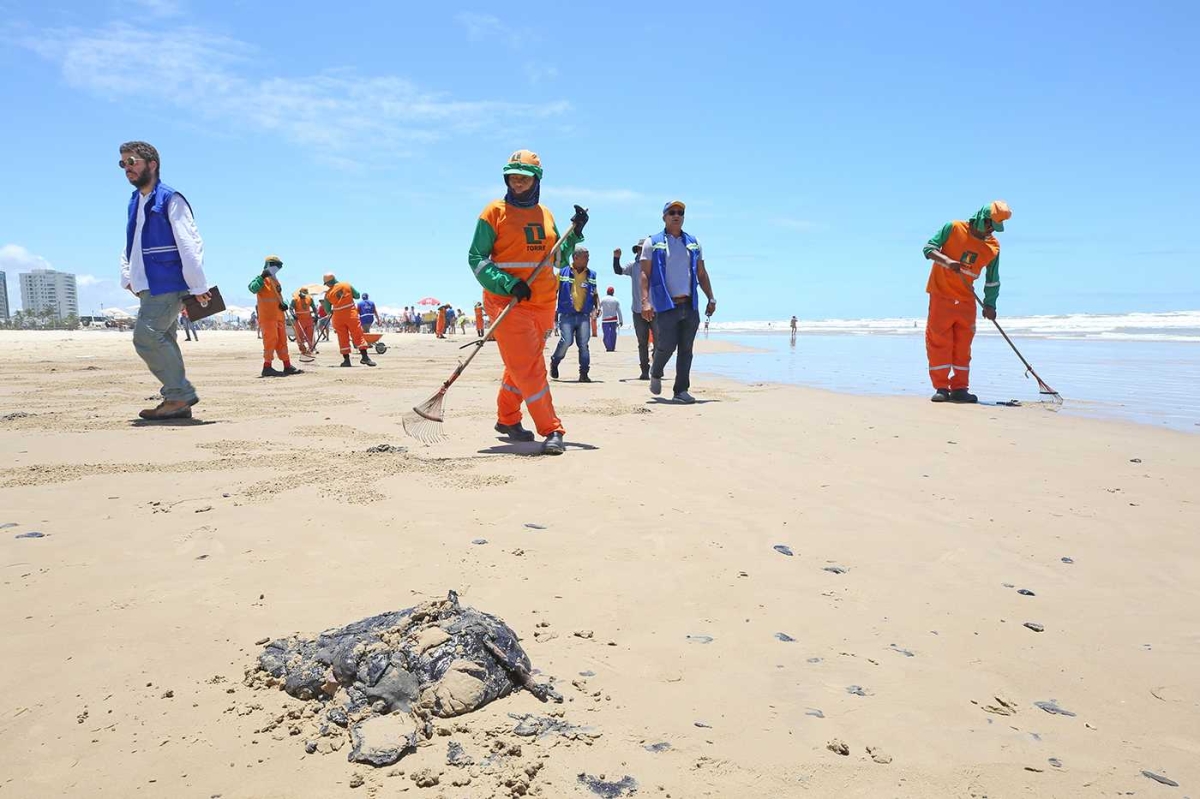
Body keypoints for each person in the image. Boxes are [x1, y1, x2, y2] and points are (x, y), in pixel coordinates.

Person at [467, 149, 587, 455]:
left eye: (524, 177)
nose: (518, 182)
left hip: (544, 302)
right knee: (531, 368)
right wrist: (508, 284)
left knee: (521, 365)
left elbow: (556, 256)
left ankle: (507, 419)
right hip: (508, 302)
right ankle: (552, 429)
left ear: (537, 181)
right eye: (513, 177)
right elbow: (476, 259)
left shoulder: (545, 214)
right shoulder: (493, 212)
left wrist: (575, 233)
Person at [118, 140, 211, 421]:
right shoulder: (137, 200)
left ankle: (178, 394)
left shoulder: (171, 199)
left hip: (168, 282)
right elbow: (131, 243)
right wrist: (128, 276)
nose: (127, 168)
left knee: (146, 337)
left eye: (132, 161)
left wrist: (198, 286)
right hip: (147, 285)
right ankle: (176, 401)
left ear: (152, 164)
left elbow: (190, 244)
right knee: (165, 339)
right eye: (123, 164)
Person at [922, 201, 1011, 403]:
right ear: (981, 218)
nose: (990, 230)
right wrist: (946, 261)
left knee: (963, 346)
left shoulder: (993, 247)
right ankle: (942, 387)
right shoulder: (953, 228)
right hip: (941, 295)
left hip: (966, 300)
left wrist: (990, 304)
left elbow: (993, 279)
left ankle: (960, 388)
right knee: (939, 342)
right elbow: (928, 248)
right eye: (989, 225)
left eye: (994, 228)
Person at [640, 200, 716, 404]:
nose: (676, 215)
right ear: (664, 217)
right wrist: (645, 301)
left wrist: (711, 297)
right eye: (672, 212)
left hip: (689, 304)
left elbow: (701, 272)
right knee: (665, 346)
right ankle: (656, 371)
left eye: (680, 212)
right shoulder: (652, 242)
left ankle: (681, 390)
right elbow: (645, 274)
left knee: (686, 349)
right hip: (666, 305)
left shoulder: (693, 242)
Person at [550, 246, 598, 382]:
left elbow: (594, 293)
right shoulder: (562, 273)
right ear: (575, 258)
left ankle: (584, 373)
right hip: (566, 314)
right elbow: (553, 292)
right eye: (585, 257)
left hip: (583, 315)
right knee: (566, 341)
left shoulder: (592, 274)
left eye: (588, 257)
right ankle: (555, 362)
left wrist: (597, 307)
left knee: (583, 345)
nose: (588, 259)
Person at [249, 255, 301, 377]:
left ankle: (287, 365)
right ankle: (267, 367)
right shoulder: (261, 279)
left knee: (282, 341)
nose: (277, 268)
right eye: (275, 265)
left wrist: (283, 305)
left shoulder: (275, 281)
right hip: (268, 317)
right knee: (270, 341)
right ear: (268, 265)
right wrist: (262, 277)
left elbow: (277, 297)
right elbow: (252, 288)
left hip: (278, 316)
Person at [614, 240, 653, 379]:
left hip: (656, 310)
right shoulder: (633, 265)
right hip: (638, 310)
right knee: (642, 343)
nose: (640, 251)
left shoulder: (656, 264)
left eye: (642, 249)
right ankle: (644, 370)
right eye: (638, 249)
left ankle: (657, 366)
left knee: (661, 342)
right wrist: (616, 258)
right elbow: (618, 270)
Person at [321, 272, 377, 367]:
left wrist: (332, 310)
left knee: (342, 337)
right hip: (351, 315)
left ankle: (346, 361)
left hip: (338, 317)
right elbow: (357, 295)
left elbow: (327, 310)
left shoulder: (328, 294)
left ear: (328, 283)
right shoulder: (346, 285)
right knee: (357, 334)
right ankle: (365, 357)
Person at [291, 286, 318, 356]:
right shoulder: (295, 299)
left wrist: (316, 315)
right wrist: (293, 315)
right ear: (300, 293)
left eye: (305, 294)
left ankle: (311, 348)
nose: (304, 296)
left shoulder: (309, 298)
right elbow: (290, 309)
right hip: (299, 320)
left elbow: (314, 307)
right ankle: (303, 349)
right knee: (299, 336)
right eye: (303, 294)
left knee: (310, 334)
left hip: (308, 319)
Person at [598, 286, 623, 352]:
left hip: (605, 319)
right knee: (613, 334)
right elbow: (619, 311)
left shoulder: (603, 299)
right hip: (614, 319)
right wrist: (621, 321)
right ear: (613, 292)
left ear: (607, 292)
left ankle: (608, 347)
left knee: (606, 334)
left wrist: (596, 315)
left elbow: (598, 308)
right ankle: (612, 347)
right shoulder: (616, 300)